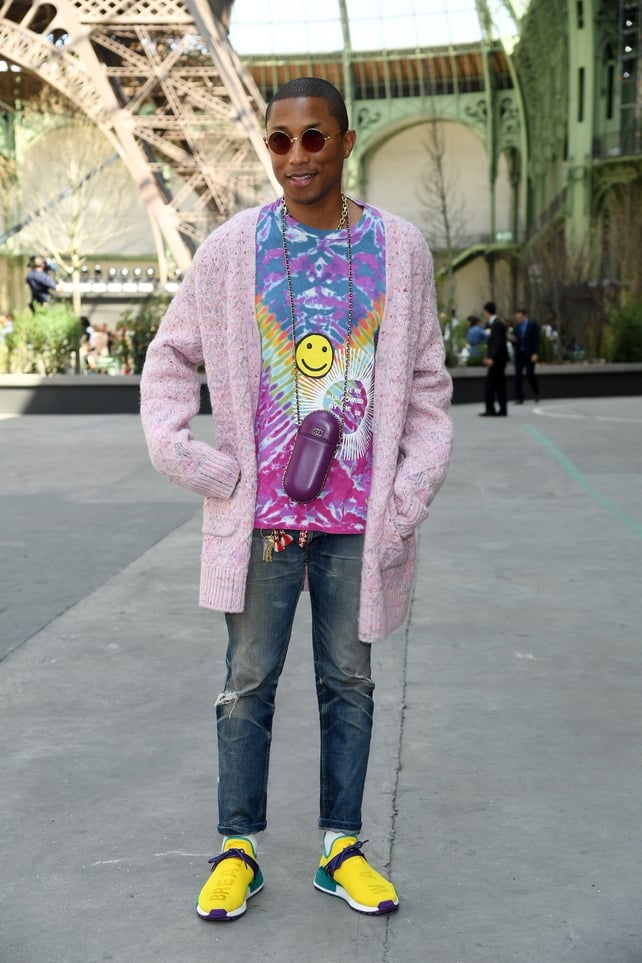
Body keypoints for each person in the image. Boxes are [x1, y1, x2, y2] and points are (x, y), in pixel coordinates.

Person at [140, 76, 453, 922]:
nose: (296, 156)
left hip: (359, 521)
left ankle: (340, 847)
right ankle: (237, 848)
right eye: (280, 140)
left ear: (346, 141)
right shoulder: (231, 249)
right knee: (247, 682)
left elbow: (428, 385)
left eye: (314, 137)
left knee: (350, 682)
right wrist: (195, 461)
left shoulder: (400, 249)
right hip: (262, 521)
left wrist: (406, 496)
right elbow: (171, 356)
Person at [479, 300, 508, 416]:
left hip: (497, 360)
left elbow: (498, 343)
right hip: (498, 359)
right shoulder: (495, 323)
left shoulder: (496, 324)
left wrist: (492, 358)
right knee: (499, 385)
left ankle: (491, 409)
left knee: (491, 385)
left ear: (487, 311)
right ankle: (501, 410)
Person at [511, 308, 540, 403]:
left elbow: (536, 340)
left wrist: (535, 353)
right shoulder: (516, 327)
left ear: (525, 316)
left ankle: (536, 392)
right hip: (519, 354)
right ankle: (519, 397)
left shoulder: (533, 325)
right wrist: (513, 341)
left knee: (529, 374)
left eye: (520, 317)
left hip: (529, 353)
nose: (518, 319)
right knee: (518, 375)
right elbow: (515, 341)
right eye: (517, 318)